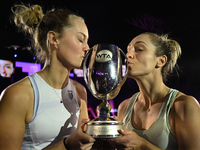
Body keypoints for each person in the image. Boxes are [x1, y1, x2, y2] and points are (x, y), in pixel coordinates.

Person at [0, 4, 95, 150]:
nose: (87, 48)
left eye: (87, 41)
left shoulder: (80, 91)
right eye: (81, 39)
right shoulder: (18, 95)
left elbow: (83, 144)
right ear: (53, 39)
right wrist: (66, 145)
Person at [107, 32, 200, 150]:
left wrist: (142, 145)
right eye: (128, 50)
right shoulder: (124, 107)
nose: (128, 55)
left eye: (139, 49)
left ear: (161, 61)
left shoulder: (184, 105)